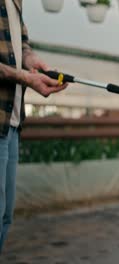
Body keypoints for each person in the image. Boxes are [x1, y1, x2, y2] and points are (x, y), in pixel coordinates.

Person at [0, 0, 68, 253]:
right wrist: (24, 77)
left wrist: (31, 61)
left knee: (5, 217)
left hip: (11, 122)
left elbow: (21, 44)